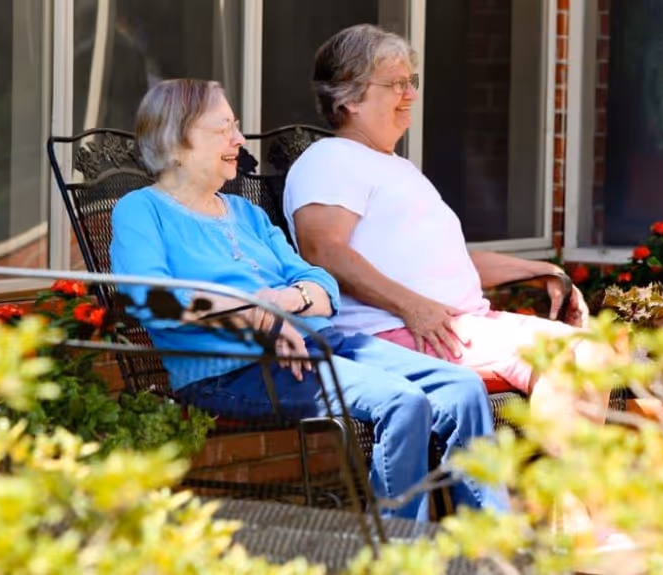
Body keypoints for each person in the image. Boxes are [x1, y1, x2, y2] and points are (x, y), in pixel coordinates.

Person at [109, 78, 509, 522]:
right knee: (403, 402)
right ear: (177, 139)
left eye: (236, 127)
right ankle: (398, 557)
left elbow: (322, 287)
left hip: (322, 344)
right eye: (223, 129)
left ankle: (487, 552)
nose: (238, 140)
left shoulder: (247, 213)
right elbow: (153, 303)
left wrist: (286, 301)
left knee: (461, 388)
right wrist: (256, 316)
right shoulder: (141, 210)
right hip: (234, 368)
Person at [283, 24, 614, 453]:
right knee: (570, 359)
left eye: (410, 82)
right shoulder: (330, 159)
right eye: (396, 84)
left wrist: (539, 270)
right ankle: (569, 512)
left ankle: (557, 509)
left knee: (593, 349)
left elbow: (451, 262)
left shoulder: (397, 168)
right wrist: (411, 306)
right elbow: (322, 250)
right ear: (348, 97)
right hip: (393, 334)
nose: (411, 95)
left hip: (453, 326)